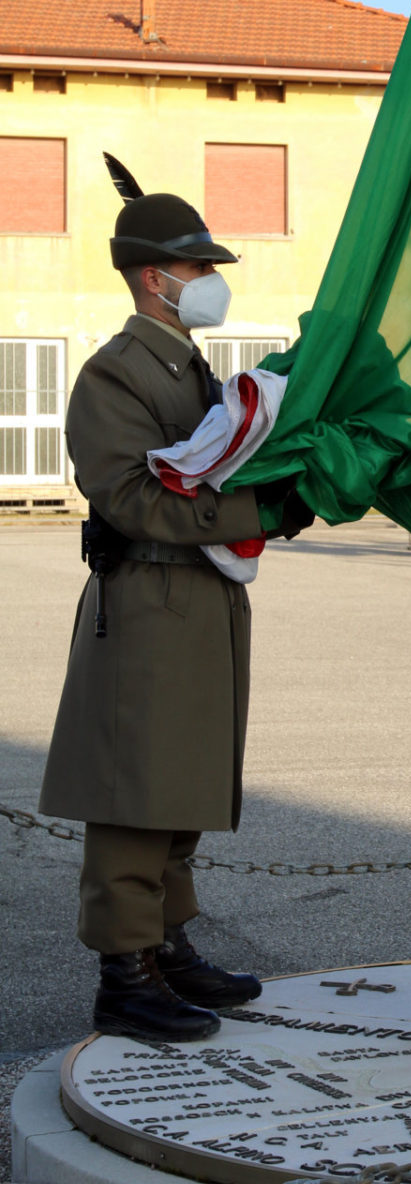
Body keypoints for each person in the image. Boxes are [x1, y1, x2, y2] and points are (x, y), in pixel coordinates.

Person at [40, 185, 313, 1043]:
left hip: (197, 601)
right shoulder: (114, 373)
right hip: (148, 602)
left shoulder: (191, 369)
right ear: (153, 278)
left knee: (181, 783)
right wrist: (258, 512)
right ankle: (124, 973)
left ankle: (166, 942)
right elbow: (129, 498)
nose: (210, 280)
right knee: (134, 793)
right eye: (197, 267)